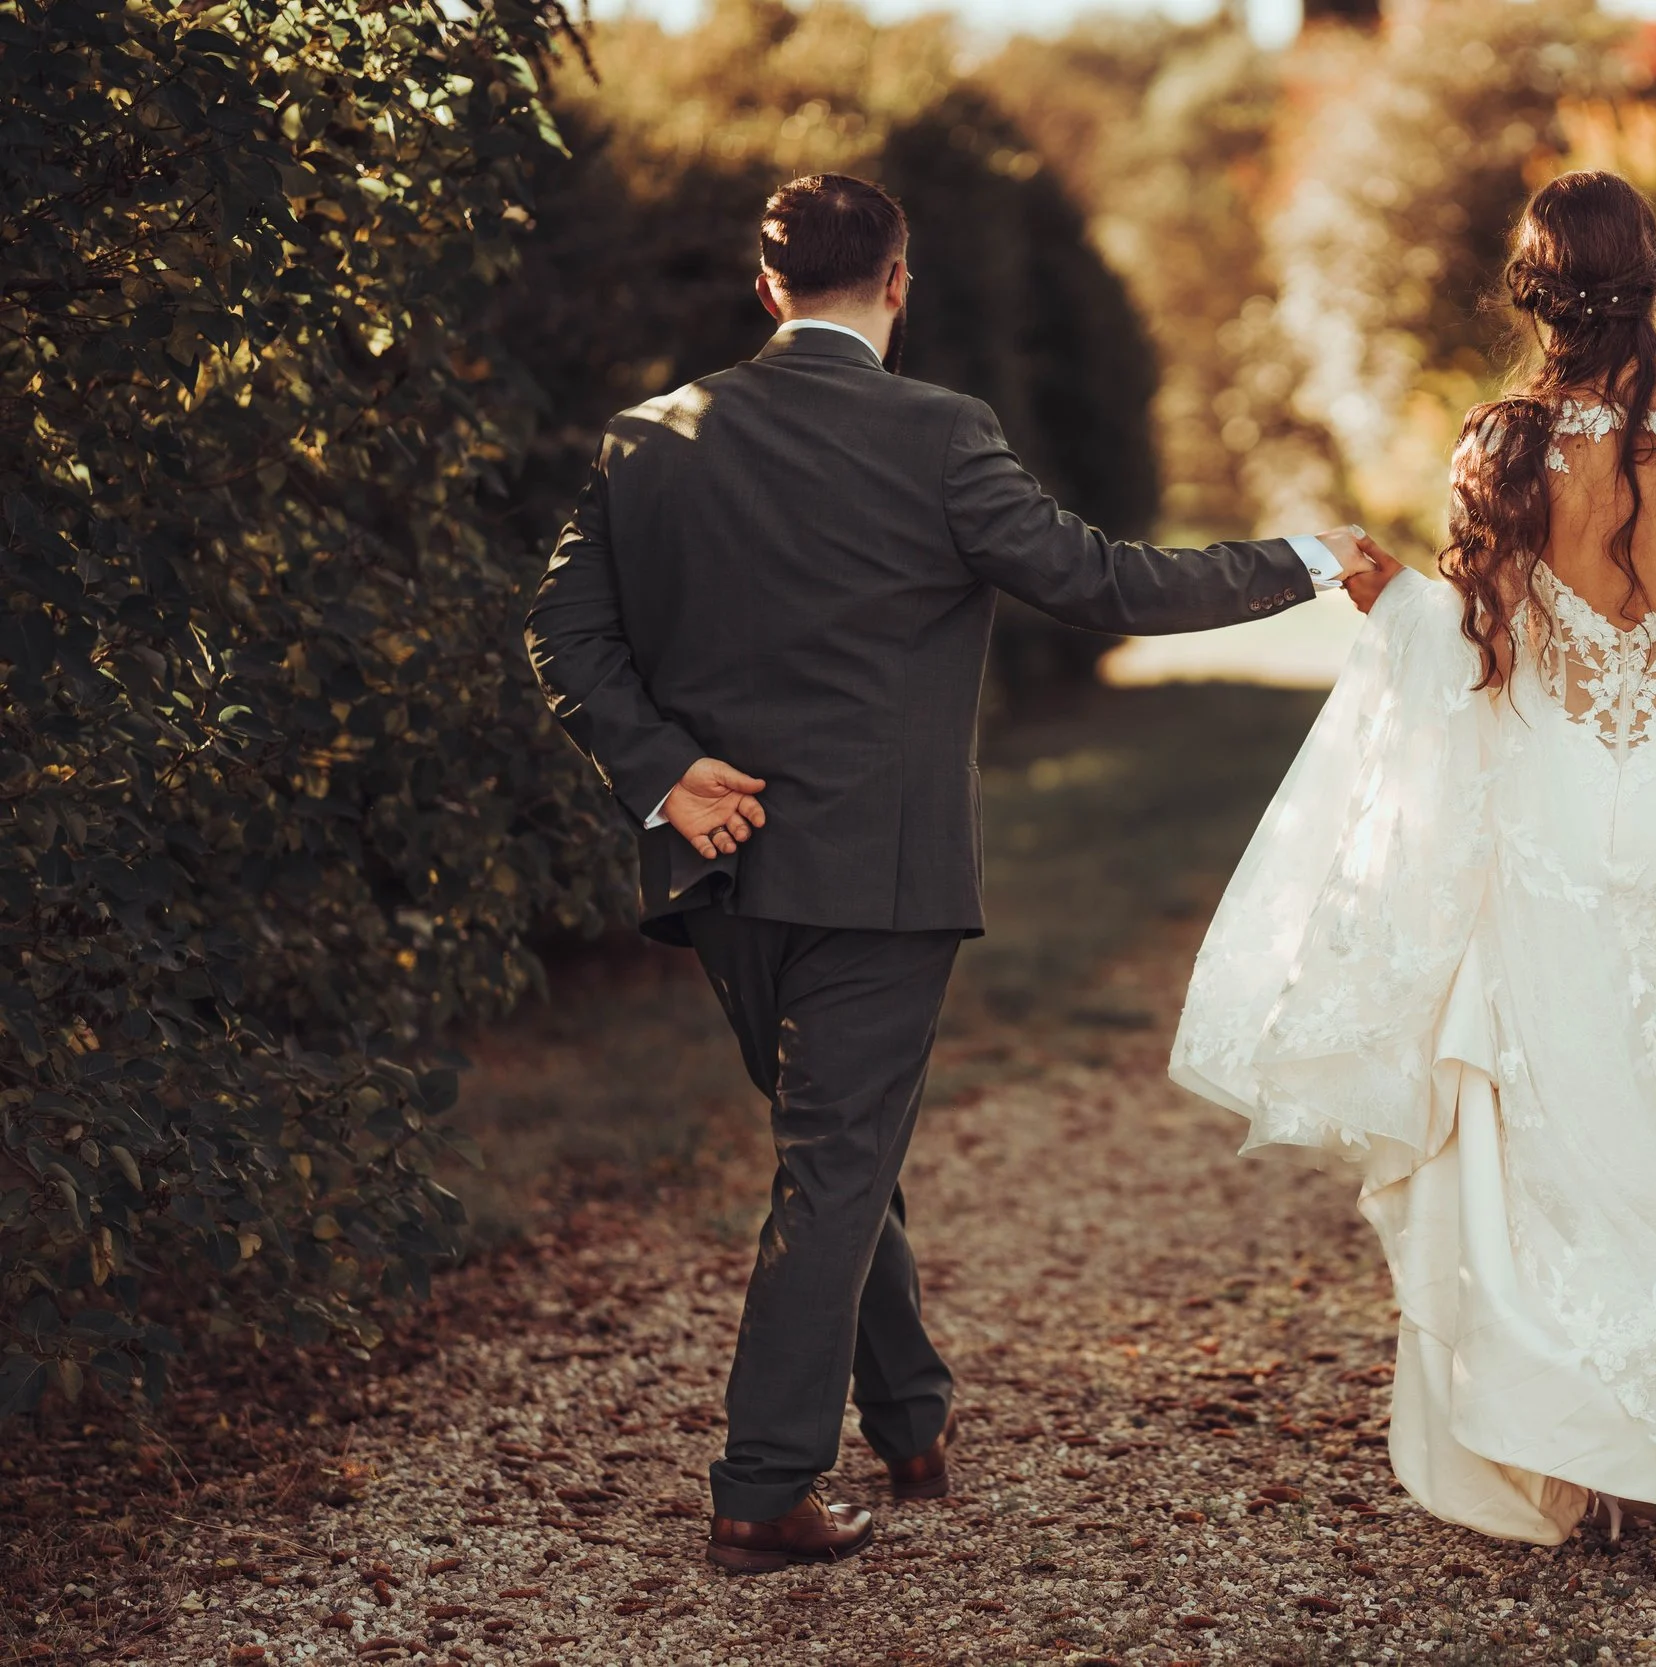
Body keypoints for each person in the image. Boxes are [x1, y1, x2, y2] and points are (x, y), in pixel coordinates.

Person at [525, 172, 1392, 1572]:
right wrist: (1307, 558)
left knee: (835, 1147)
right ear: (898, 280)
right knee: (837, 1159)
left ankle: (913, 1415)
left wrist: (663, 769)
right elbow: (1105, 582)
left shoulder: (652, 437)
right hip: (877, 873)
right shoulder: (940, 435)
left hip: (719, 868)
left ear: (767, 289)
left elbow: (563, 634)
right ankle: (763, 1485)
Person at [1171, 170, 1656, 1544]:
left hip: (1550, 810)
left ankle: (1574, 1446)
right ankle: (1652, 1428)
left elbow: (1471, 650)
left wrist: (1390, 601)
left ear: (1533, 293)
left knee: (1554, 1121)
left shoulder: (1500, 453)